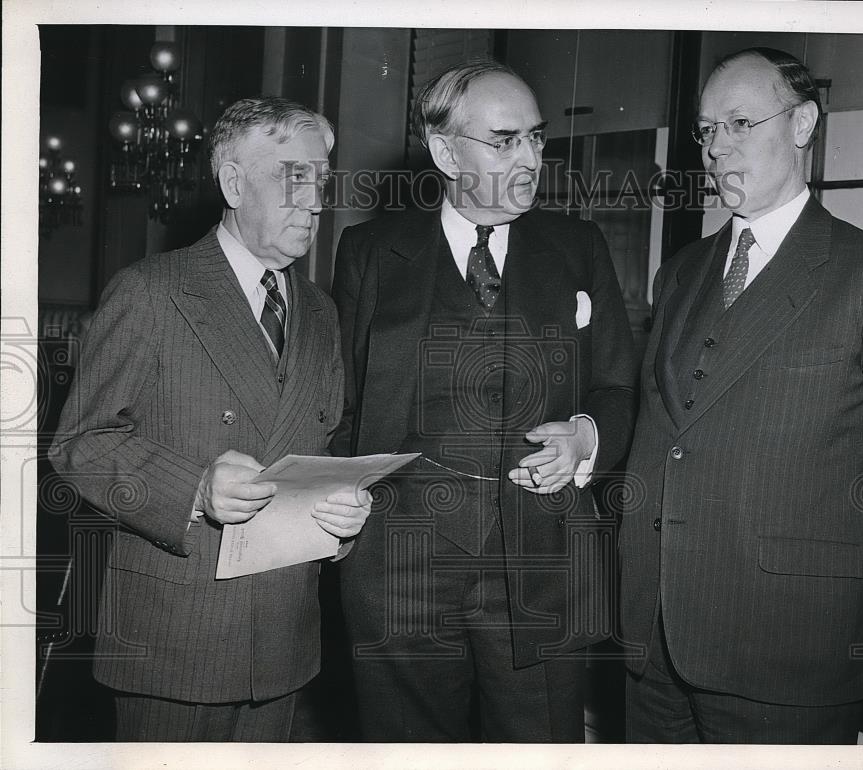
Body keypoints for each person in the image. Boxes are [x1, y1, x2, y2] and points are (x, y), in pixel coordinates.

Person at [619, 48, 863, 744]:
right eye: (707, 130)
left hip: (791, 652)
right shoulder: (681, 273)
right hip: (653, 640)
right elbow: (665, 438)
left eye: (741, 123)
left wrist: (844, 607)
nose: (717, 148)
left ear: (803, 123)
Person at [48, 96, 372, 742]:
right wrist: (195, 487)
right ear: (233, 182)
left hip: (282, 639)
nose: (315, 202)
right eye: (295, 178)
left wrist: (345, 513)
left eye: (322, 181)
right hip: (174, 637)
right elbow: (79, 445)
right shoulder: (151, 291)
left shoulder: (320, 311)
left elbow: (326, 441)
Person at [330, 60, 635, 742]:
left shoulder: (578, 247)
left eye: (536, 137)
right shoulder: (371, 252)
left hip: (543, 559)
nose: (530, 157)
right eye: (505, 140)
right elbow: (340, 407)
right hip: (400, 558)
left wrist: (584, 438)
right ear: (445, 151)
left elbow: (619, 387)